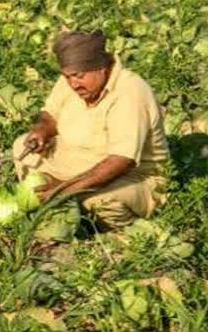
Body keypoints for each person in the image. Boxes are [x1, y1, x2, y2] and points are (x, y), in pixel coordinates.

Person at [14, 30, 169, 230]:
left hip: (130, 175)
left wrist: (63, 189)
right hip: (80, 159)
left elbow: (122, 161)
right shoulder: (72, 79)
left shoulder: (130, 93)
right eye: (67, 77)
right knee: (20, 147)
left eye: (78, 76)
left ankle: (110, 230)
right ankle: (61, 201)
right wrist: (42, 129)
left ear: (101, 68)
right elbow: (50, 113)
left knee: (98, 203)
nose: (73, 84)